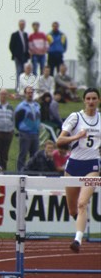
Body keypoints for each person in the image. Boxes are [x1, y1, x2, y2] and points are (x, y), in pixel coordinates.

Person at [56, 88, 100, 252]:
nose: (91, 101)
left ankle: (77, 240)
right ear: (83, 100)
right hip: (73, 165)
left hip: (92, 166)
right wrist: (77, 136)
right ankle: (81, 223)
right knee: (73, 209)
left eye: (94, 98)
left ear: (98, 100)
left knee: (83, 203)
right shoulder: (76, 117)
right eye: (88, 98)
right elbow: (60, 141)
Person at [15, 86, 41, 171]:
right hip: (25, 133)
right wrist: (21, 128)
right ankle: (20, 171)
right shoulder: (21, 106)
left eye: (31, 93)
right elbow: (17, 119)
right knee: (23, 153)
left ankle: (32, 171)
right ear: (25, 94)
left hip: (35, 133)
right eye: (28, 93)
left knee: (35, 154)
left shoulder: (37, 105)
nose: (30, 95)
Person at [9, 19, 30, 90]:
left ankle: (24, 87)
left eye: (23, 24)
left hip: (25, 56)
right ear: (19, 25)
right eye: (21, 24)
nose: (22, 26)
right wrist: (15, 54)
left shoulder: (26, 34)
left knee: (25, 72)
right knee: (19, 71)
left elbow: (27, 45)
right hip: (18, 57)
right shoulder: (14, 35)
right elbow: (11, 46)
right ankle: (17, 87)